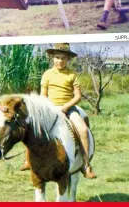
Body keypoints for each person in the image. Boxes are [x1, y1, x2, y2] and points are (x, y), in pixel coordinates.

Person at [40, 43, 96, 179]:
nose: (60, 61)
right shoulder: (47, 74)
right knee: (33, 128)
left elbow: (77, 96)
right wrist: (48, 108)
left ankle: (86, 164)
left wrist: (65, 107)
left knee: (83, 130)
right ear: (52, 58)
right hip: (51, 108)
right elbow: (43, 95)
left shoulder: (72, 75)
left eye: (63, 58)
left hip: (68, 108)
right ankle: (29, 160)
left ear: (68, 59)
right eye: (57, 57)